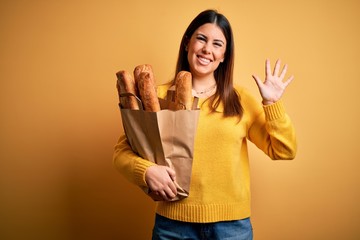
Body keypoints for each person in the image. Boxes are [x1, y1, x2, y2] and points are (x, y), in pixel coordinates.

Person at [113, 9, 297, 240]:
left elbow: (285, 150)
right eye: (201, 39)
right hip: (173, 226)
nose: (207, 49)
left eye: (217, 44)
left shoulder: (240, 100)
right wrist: (146, 171)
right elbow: (121, 152)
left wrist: (272, 103)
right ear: (187, 43)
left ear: (224, 56)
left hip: (232, 228)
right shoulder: (157, 97)